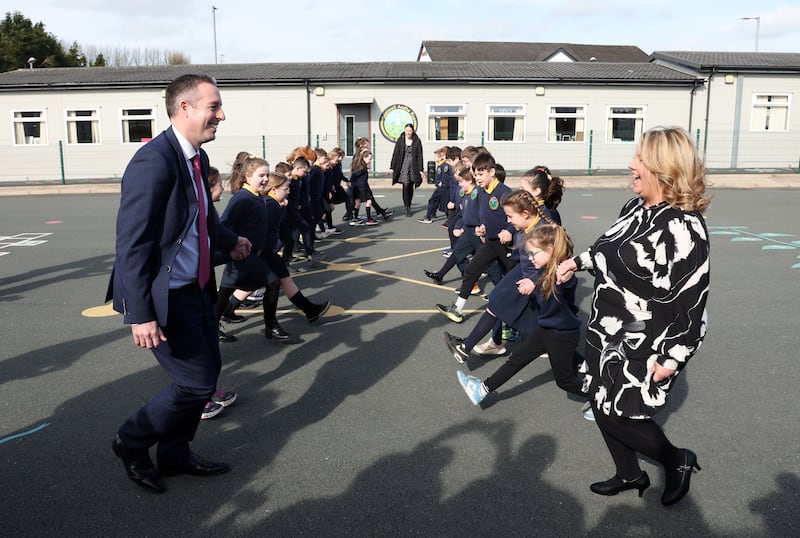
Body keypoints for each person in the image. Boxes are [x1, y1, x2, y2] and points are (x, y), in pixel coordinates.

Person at [107, 74, 251, 493]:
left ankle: (173, 454)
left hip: (196, 288)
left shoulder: (198, 160)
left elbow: (202, 220)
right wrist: (140, 314)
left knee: (209, 373)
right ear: (185, 108)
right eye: (214, 106)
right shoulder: (153, 160)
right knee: (196, 383)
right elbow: (132, 244)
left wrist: (231, 241)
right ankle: (131, 442)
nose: (221, 115)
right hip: (163, 298)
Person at [556, 126, 711, 506]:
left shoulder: (682, 227)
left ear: (663, 167)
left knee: (620, 415)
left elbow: (693, 302)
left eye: (639, 159)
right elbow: (609, 250)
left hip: (643, 343)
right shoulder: (635, 209)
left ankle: (677, 460)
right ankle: (629, 473)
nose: (631, 164)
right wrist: (576, 262)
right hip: (604, 333)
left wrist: (673, 358)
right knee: (599, 400)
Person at [456, 224, 587, 406]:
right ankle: (481, 390)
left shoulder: (562, 275)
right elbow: (543, 287)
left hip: (561, 335)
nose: (530, 258)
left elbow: (564, 285)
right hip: (547, 329)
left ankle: (603, 399)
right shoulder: (544, 271)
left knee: (565, 381)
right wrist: (532, 283)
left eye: (534, 253)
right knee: (516, 360)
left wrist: (564, 278)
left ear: (550, 250)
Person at [443, 187, 558, 360]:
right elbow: (514, 234)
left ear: (526, 213)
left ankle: (469, 346)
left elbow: (551, 266)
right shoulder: (525, 225)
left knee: (501, 308)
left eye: (510, 217)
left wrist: (533, 281)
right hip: (523, 271)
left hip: (533, 278)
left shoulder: (541, 233)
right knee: (497, 302)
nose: (508, 220)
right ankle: (488, 344)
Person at [215, 156, 291, 342]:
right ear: (248, 176)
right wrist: (234, 244)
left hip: (254, 254)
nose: (265, 179)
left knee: (227, 290)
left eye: (267, 175)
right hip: (242, 255)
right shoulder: (242, 198)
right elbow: (224, 224)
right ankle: (270, 326)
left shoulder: (257, 196)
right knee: (271, 282)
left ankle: (215, 323)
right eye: (261, 175)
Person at [436, 152, 513, 323]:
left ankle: (525, 319)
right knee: (472, 270)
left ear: (492, 172)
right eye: (475, 174)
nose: (477, 178)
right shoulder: (483, 191)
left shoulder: (504, 192)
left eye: (480, 174)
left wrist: (509, 230)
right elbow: (488, 216)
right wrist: (484, 228)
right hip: (491, 242)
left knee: (514, 279)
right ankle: (458, 308)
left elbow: (516, 218)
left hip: (506, 245)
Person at [389, 123, 425, 217]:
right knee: (405, 185)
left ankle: (409, 204)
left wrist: (421, 170)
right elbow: (395, 154)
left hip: (413, 166)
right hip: (403, 165)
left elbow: (420, 156)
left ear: (412, 131)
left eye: (409, 130)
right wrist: (392, 167)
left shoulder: (417, 141)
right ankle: (406, 206)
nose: (408, 132)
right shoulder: (400, 140)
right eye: (406, 130)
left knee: (411, 185)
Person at [350, 148, 380, 226]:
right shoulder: (361, 167)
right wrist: (350, 182)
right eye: (369, 159)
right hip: (361, 187)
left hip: (359, 187)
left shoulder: (361, 165)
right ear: (364, 158)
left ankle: (355, 218)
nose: (370, 161)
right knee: (369, 201)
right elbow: (354, 176)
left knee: (358, 203)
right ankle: (369, 219)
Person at [419, 146, 449, 223]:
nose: (434, 158)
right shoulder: (441, 165)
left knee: (434, 201)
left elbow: (445, 176)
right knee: (438, 202)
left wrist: (441, 183)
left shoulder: (444, 166)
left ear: (441, 157)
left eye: (436, 156)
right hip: (441, 188)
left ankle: (428, 217)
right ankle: (432, 214)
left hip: (442, 188)